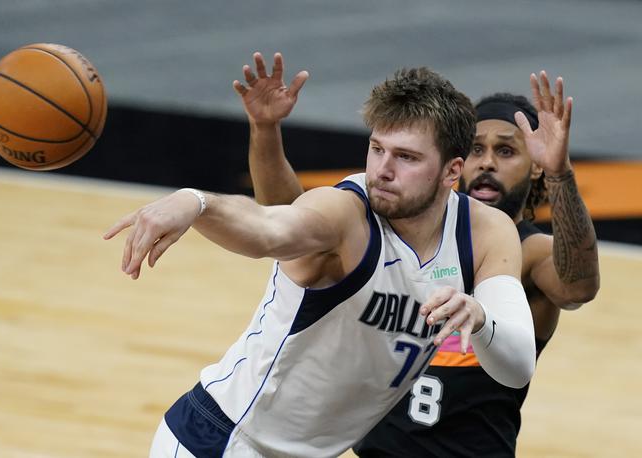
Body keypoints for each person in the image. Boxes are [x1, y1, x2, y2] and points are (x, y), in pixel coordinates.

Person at [104, 61, 537, 457]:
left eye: (406, 157)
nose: (382, 170)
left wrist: (481, 318)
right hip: (227, 441)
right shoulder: (346, 213)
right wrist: (197, 203)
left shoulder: (485, 232)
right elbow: (267, 229)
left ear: (451, 171)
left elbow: (516, 367)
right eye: (377, 148)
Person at [236, 52, 600, 457]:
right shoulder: (393, 225)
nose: (487, 164)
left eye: (507, 152)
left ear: (535, 166)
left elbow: (577, 287)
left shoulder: (527, 250)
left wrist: (560, 173)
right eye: (477, 150)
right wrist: (265, 129)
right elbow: (290, 230)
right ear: (454, 164)